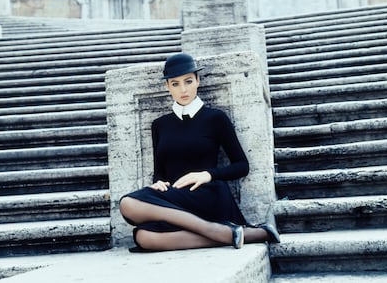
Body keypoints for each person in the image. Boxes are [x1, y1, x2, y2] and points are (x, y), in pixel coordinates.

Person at [119, 53, 280, 252]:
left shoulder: (215, 118)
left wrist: (207, 174)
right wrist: (158, 182)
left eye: (188, 81)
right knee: (143, 237)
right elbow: (160, 171)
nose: (183, 89)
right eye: (175, 84)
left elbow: (242, 166)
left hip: (207, 194)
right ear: (167, 86)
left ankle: (215, 230)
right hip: (176, 198)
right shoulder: (160, 125)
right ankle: (239, 234)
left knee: (127, 203)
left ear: (198, 80)